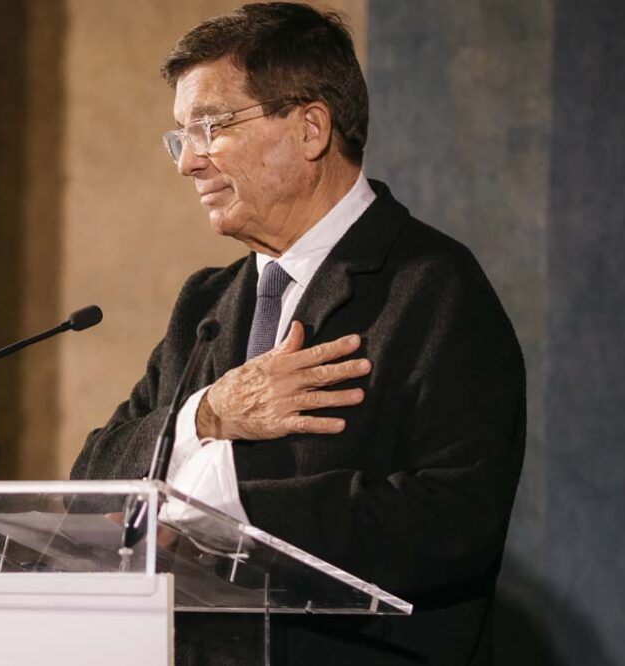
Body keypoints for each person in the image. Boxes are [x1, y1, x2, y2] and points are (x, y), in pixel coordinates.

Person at [69, 3, 526, 665]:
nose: (187, 162)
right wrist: (208, 415)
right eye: (181, 136)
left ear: (311, 128)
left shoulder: (434, 288)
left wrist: (221, 508)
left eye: (210, 127)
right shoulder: (206, 302)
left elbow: (456, 521)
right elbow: (91, 480)